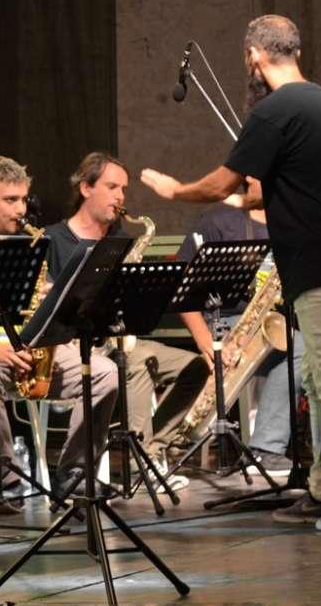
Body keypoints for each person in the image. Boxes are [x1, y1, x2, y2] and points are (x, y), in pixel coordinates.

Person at [141, 13, 321, 531]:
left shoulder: (274, 110)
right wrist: (245, 198)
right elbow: (282, 187)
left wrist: (174, 190)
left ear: (254, 56)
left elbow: (221, 183)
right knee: (319, 378)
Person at [0, 156, 120, 501]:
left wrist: (51, 302)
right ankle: (5, 479)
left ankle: (75, 472)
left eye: (23, 199)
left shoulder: (32, 246)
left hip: (32, 351)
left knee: (105, 373)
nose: (21, 210)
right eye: (10, 200)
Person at [175, 179, 321, 475]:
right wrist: (204, 339)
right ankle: (266, 448)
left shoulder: (296, 221)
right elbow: (181, 287)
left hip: (291, 316)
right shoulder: (218, 220)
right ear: (251, 176)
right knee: (300, 347)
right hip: (232, 321)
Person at [44, 152, 208, 475]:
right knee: (136, 364)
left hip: (117, 341)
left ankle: (152, 449)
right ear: (86, 188)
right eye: (112, 187)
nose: (120, 196)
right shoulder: (52, 239)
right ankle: (138, 466)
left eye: (124, 189)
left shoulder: (121, 240)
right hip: (74, 348)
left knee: (195, 367)